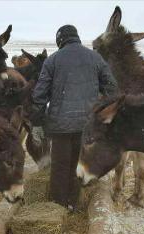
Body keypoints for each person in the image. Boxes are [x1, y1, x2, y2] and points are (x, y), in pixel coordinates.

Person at [31, 24, 118, 210]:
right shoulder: (95, 58)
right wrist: (99, 114)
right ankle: (74, 204)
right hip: (87, 126)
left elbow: (39, 96)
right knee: (78, 165)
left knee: (60, 167)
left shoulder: (52, 60)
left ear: (60, 40)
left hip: (60, 126)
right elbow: (112, 89)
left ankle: (57, 208)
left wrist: (37, 123)